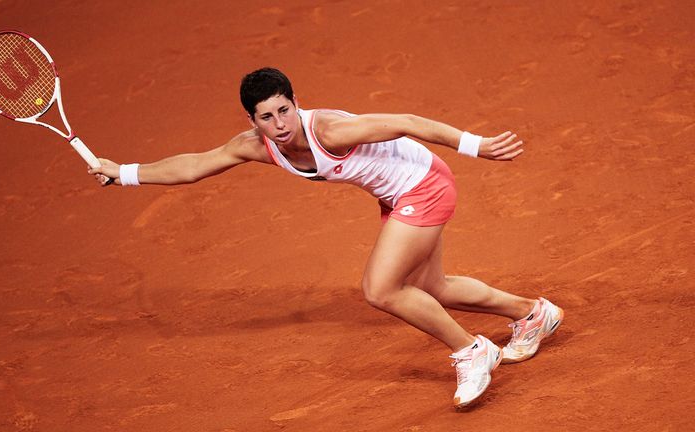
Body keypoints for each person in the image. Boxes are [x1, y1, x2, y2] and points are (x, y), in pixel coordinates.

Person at [88, 67, 563, 409]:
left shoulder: (330, 131)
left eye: (284, 110)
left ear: (295, 104)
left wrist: (474, 145)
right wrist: (124, 172)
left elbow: (407, 122)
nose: (280, 124)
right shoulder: (255, 146)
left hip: (423, 187)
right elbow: (192, 166)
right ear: (252, 121)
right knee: (431, 289)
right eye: (267, 117)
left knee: (381, 290)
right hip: (397, 195)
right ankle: (531, 314)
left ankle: (471, 350)